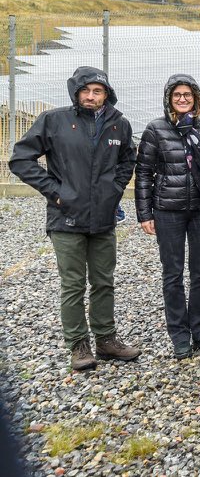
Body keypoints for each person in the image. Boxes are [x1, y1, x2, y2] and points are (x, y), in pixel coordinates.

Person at [8, 66, 141, 371]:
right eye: (86, 91)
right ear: (76, 92)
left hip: (103, 219)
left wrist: (115, 190)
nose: (91, 96)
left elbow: (127, 160)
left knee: (104, 282)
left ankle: (106, 340)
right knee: (73, 284)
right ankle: (78, 344)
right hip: (66, 218)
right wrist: (56, 192)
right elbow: (20, 159)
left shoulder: (119, 125)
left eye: (98, 91)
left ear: (106, 94)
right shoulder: (54, 121)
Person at [136, 74, 200, 360]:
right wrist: (144, 213)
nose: (183, 99)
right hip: (168, 210)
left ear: (197, 97)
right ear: (169, 99)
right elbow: (144, 173)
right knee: (172, 274)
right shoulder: (156, 129)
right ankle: (179, 334)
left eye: (188, 94)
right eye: (177, 95)